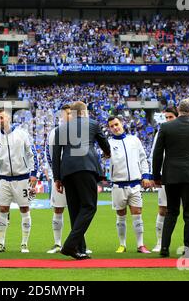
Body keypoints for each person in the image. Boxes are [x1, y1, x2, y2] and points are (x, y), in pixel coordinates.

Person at [153, 98, 189, 258]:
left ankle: (164, 248)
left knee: (171, 212)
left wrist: (156, 176)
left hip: (171, 174)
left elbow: (157, 153)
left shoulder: (165, 126)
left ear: (178, 111)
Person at [53, 101, 110, 260]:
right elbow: (104, 142)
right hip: (86, 168)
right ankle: (70, 245)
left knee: (75, 210)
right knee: (89, 207)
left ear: (72, 112)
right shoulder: (93, 124)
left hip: (67, 171)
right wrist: (107, 153)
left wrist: (57, 178)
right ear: (84, 112)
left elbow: (56, 155)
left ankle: (79, 249)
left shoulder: (61, 129)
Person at [0, 109, 38, 253]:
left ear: (9, 118)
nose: (0, 120)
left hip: (22, 178)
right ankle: (1, 244)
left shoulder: (22, 134)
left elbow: (31, 153)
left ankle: (24, 244)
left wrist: (33, 173)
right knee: (3, 209)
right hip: (4, 179)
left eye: (2, 117)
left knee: (24, 209)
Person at [107, 116, 151, 254]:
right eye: (112, 126)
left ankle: (140, 245)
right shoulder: (108, 143)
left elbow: (143, 158)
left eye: (116, 124)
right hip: (118, 185)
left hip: (135, 184)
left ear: (122, 124)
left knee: (137, 214)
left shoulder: (134, 140)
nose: (115, 127)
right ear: (109, 128)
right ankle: (122, 244)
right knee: (121, 215)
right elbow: (103, 159)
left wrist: (145, 175)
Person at [150, 106, 178, 252]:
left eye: (170, 117)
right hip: (166, 176)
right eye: (166, 118)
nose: (167, 120)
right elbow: (155, 154)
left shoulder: (185, 131)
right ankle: (159, 242)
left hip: (183, 177)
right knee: (163, 209)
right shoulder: (161, 132)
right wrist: (155, 175)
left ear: (177, 117)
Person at [45, 104, 72, 254]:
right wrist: (57, 176)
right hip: (61, 177)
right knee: (58, 209)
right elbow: (50, 155)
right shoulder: (54, 133)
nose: (69, 116)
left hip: (76, 178)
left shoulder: (80, 132)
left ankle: (79, 243)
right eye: (67, 113)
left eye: (71, 113)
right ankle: (57, 243)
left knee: (78, 211)